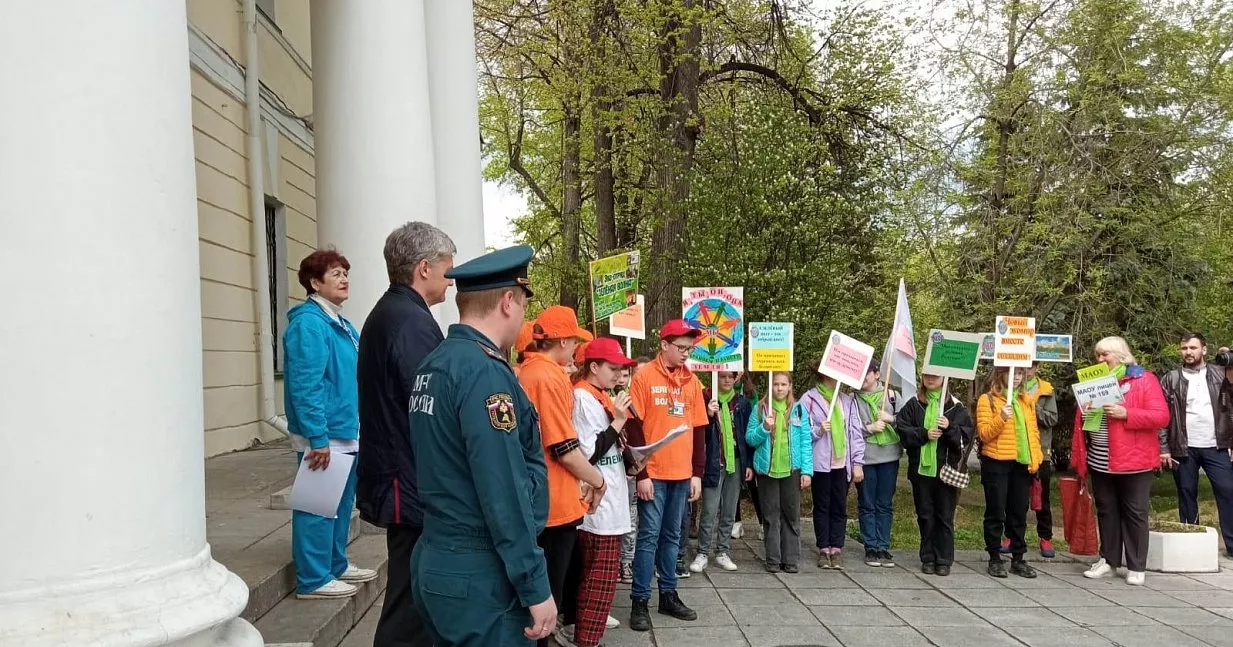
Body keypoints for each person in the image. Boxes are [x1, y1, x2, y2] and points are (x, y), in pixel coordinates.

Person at [408, 245, 556, 645]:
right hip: (478, 572)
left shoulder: (435, 363)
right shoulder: (484, 374)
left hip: (438, 557)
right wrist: (534, 584)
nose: (523, 315)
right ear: (508, 301)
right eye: (524, 304)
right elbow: (502, 487)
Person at [356, 222, 455, 646]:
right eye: (447, 269)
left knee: (413, 598)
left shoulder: (395, 312)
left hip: (403, 475)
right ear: (424, 268)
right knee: (410, 603)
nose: (451, 279)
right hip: (409, 480)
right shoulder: (411, 322)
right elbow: (430, 406)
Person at [283, 249, 376, 599]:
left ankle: (335, 565)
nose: (344, 279)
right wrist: (317, 436)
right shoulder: (309, 323)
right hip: (323, 435)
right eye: (336, 274)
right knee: (316, 505)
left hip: (344, 430)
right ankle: (312, 578)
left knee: (338, 504)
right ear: (314, 282)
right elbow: (306, 384)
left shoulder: (338, 322)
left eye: (345, 273)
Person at [518, 306, 607, 647]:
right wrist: (597, 480)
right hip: (554, 505)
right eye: (574, 342)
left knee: (539, 596)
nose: (576, 351)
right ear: (564, 340)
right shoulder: (549, 376)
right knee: (547, 601)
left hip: (542, 497)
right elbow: (563, 447)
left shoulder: (529, 371)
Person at [624, 321, 708, 632]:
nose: (687, 353)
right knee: (649, 536)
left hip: (682, 474)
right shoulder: (644, 377)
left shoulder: (692, 383)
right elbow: (633, 426)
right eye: (682, 347)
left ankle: (668, 595)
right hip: (654, 474)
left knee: (674, 537)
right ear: (664, 345)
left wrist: (697, 473)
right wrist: (641, 472)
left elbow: (699, 428)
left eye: (690, 348)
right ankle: (639, 600)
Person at [1072, 337, 1170, 586]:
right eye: (1098, 355)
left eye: (1105, 354)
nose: (1101, 359)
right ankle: (1109, 559)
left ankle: (1137, 565)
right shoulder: (1093, 382)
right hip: (1101, 459)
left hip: (1134, 461)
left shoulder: (1143, 379)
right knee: (1106, 510)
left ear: (1121, 354)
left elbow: (1161, 416)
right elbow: (1085, 421)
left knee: (1135, 512)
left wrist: (1127, 413)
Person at [559, 338, 637, 647]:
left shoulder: (600, 396)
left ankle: (584, 635)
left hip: (610, 498)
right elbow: (587, 453)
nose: (618, 375)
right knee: (597, 581)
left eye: (621, 369)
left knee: (599, 581)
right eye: (613, 368)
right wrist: (617, 422)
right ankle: (587, 640)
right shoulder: (583, 398)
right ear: (593, 367)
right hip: (596, 506)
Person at [1160, 333, 1233, 557]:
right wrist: (1163, 448)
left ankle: (1232, 545)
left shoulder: (1221, 374)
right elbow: (1162, 417)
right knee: (1187, 493)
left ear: (1204, 349)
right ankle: (1192, 544)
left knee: (1228, 492)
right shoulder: (1171, 378)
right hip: (1183, 446)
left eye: (1193, 347)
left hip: (1217, 445)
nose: (1188, 352)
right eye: (1184, 348)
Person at [897, 372, 974, 577]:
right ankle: (928, 557)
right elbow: (902, 429)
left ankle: (944, 559)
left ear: (945, 378)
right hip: (921, 470)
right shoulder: (914, 404)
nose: (930, 379)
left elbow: (965, 437)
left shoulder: (954, 407)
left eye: (935, 376)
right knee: (925, 514)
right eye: (926, 375)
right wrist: (924, 434)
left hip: (944, 471)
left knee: (944, 515)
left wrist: (949, 428)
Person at [976, 366, 1043, 579]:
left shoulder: (1025, 401)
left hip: (1021, 463)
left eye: (1021, 374)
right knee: (996, 510)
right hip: (996, 462)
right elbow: (985, 434)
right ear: (1001, 374)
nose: (1017, 378)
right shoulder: (988, 400)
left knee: (1018, 511)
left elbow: (1032, 432)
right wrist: (1001, 418)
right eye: (1012, 373)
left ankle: (1018, 558)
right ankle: (995, 557)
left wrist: (1036, 457)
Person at [796, 367, 865, 570]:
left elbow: (855, 432)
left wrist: (857, 463)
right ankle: (823, 548)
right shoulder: (808, 399)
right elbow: (799, 430)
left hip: (841, 463)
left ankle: (837, 548)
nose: (840, 379)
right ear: (825, 375)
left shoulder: (847, 401)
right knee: (823, 506)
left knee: (839, 506)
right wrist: (817, 431)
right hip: (820, 464)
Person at [747, 372, 812, 572]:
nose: (780, 388)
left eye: (784, 384)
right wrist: (764, 427)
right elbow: (750, 438)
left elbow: (806, 442)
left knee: (791, 515)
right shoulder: (760, 409)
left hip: (792, 470)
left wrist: (807, 471)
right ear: (770, 386)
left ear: (790, 386)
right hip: (767, 471)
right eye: (776, 384)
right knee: (770, 516)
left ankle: (790, 559)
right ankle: (773, 559)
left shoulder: (799, 410)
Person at [689, 371, 752, 573]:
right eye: (722, 376)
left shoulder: (741, 403)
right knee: (709, 509)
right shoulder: (705, 399)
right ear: (715, 377)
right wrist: (707, 415)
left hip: (735, 462)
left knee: (729, 510)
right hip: (713, 463)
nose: (726, 380)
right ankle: (702, 552)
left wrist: (748, 464)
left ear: (736, 378)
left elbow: (746, 436)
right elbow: (698, 435)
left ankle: (723, 551)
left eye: (730, 377)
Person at [1001, 361, 1059, 559]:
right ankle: (1011, 536)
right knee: (1015, 497)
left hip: (1040, 451)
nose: (1025, 371)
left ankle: (1045, 537)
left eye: (1030, 366)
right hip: (1016, 449)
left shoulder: (1046, 390)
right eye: (1021, 367)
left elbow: (1052, 419)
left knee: (1041, 498)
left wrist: (1032, 407)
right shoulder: (1009, 388)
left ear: (1037, 367)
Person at [854, 363, 901, 567]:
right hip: (866, 458)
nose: (863, 377)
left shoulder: (892, 396)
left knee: (884, 504)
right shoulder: (852, 399)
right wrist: (869, 428)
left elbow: (907, 422)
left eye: (867, 373)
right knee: (867, 502)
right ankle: (870, 546)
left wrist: (890, 419)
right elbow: (851, 428)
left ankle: (883, 546)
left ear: (877, 374)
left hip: (889, 457)